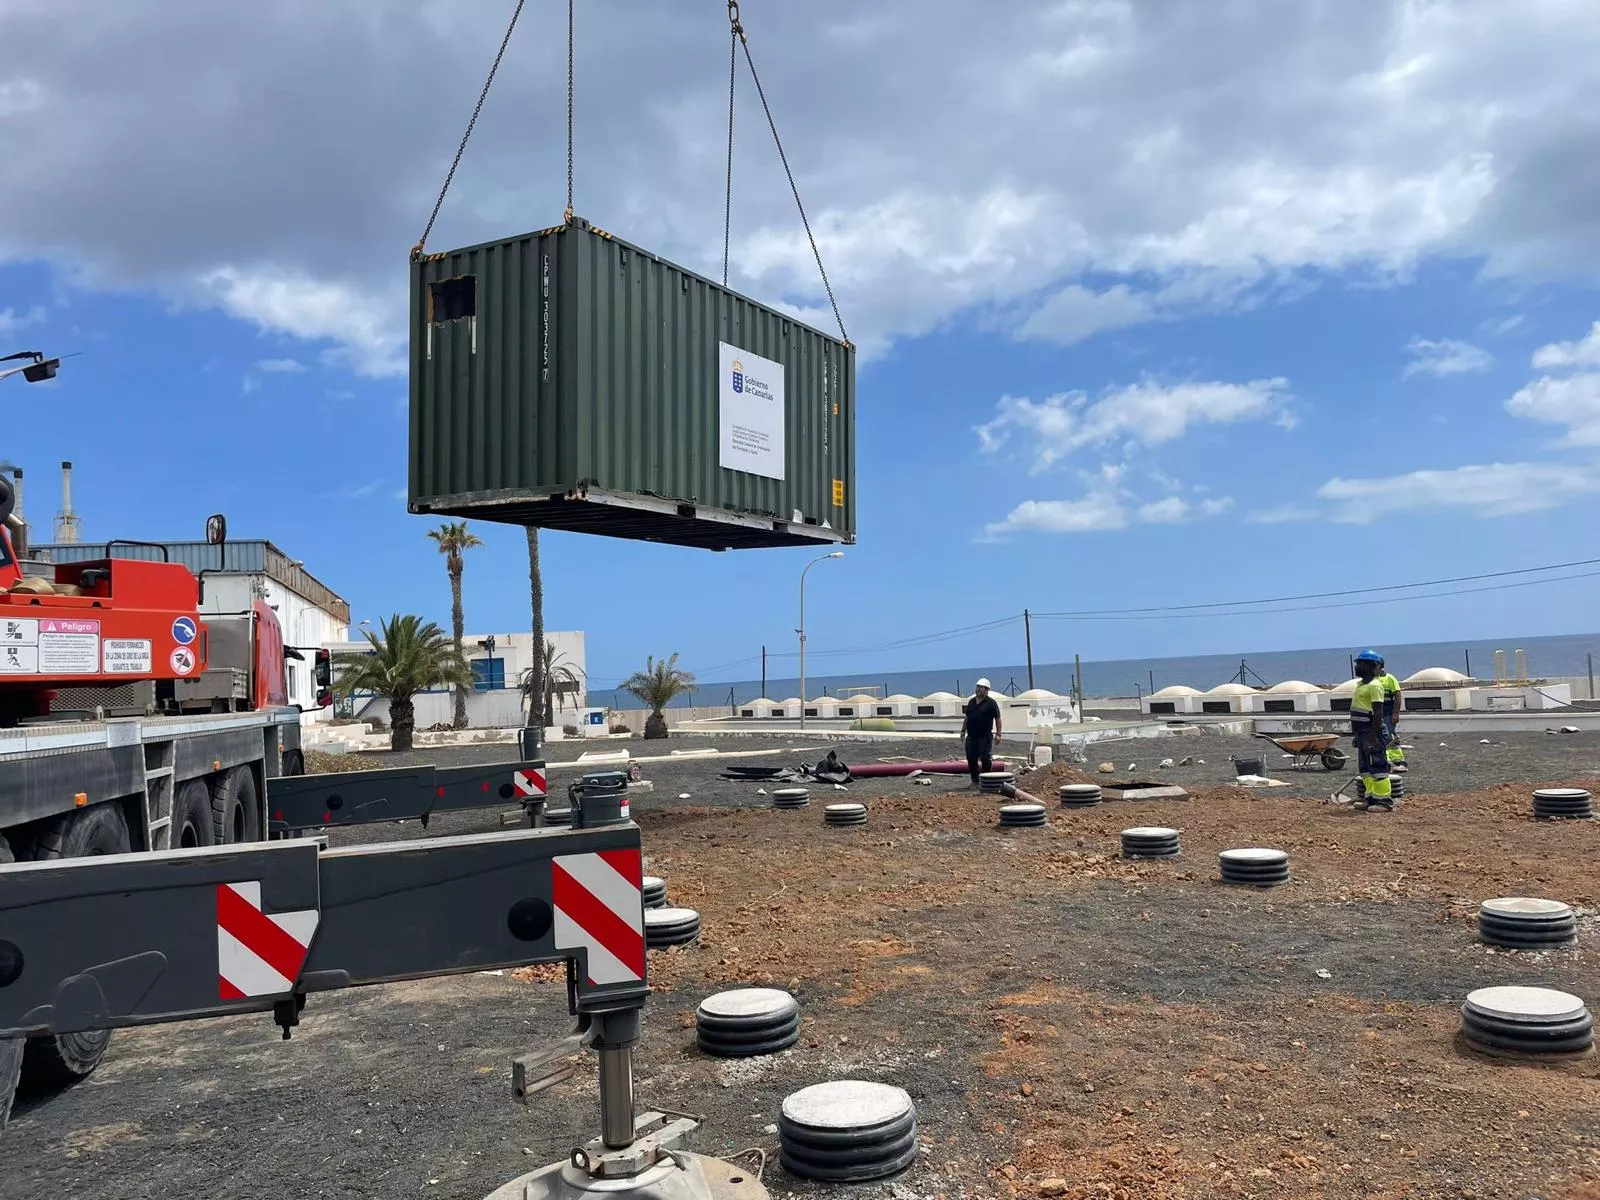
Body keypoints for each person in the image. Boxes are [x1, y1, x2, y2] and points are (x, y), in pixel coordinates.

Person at [1349, 650, 1394, 811]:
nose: (1357, 667)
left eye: (1361, 664)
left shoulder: (1375, 686)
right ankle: (1370, 798)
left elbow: (1378, 713)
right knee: (1365, 769)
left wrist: (1373, 737)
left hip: (1371, 732)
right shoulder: (1361, 686)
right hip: (1362, 732)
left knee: (1377, 766)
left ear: (1374, 667)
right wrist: (1357, 736)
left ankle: (1384, 801)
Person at [962, 678, 1003, 788]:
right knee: (971, 758)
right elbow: (967, 717)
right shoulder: (971, 702)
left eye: (981, 687)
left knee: (985, 758)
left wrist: (998, 734)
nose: (978, 689)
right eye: (977, 687)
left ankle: (987, 780)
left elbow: (998, 719)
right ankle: (975, 780)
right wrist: (963, 730)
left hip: (984, 737)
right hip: (971, 736)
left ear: (987, 689)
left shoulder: (991, 703)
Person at [1375, 654, 1407, 773]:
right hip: (1377, 714)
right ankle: (1386, 761)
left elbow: (1397, 695)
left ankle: (1398, 761)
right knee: (1380, 738)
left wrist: (1396, 713)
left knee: (1389, 736)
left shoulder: (1389, 678)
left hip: (1388, 713)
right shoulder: (1372, 680)